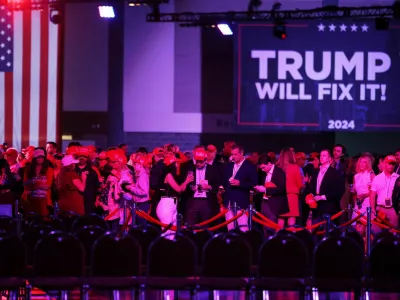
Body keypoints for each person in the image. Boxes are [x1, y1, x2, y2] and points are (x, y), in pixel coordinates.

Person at [222, 144, 258, 232]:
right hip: (228, 202)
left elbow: (254, 184)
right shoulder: (229, 166)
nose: (233, 157)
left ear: (242, 153)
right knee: (230, 229)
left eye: (235, 154)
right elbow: (224, 180)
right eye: (232, 154)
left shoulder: (250, 166)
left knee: (244, 229)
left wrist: (240, 183)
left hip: (242, 203)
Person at [308, 149, 345, 225]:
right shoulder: (315, 171)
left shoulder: (334, 173)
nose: (321, 157)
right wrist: (311, 195)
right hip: (316, 208)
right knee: (315, 233)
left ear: (329, 158)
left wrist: (323, 197)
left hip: (329, 207)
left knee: (327, 233)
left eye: (324, 155)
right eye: (321, 155)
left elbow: (339, 190)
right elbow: (312, 187)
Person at [254, 154, 289, 234]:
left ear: (269, 164)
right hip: (264, 202)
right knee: (265, 226)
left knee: (272, 227)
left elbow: (281, 189)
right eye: (261, 168)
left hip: (274, 204)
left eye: (263, 167)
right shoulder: (263, 173)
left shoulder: (279, 172)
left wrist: (265, 190)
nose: (262, 170)